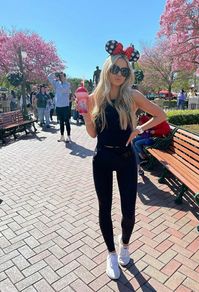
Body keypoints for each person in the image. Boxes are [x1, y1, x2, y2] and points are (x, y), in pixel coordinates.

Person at [82, 40, 167, 280]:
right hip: (102, 158)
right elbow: (92, 134)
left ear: (128, 73)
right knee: (104, 208)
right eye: (115, 69)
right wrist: (88, 118)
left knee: (129, 211)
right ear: (107, 69)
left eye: (124, 70)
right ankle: (110, 254)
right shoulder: (94, 97)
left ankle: (125, 246)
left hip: (126, 157)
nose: (119, 74)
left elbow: (161, 114)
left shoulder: (133, 95)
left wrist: (139, 130)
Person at [48, 72, 71, 142]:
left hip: (65, 106)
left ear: (65, 77)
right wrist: (54, 73)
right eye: (60, 76)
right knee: (61, 122)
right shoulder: (57, 82)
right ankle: (62, 136)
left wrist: (58, 82)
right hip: (58, 106)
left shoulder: (67, 84)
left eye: (62, 76)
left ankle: (68, 136)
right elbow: (49, 77)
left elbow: (63, 90)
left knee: (67, 122)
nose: (60, 77)